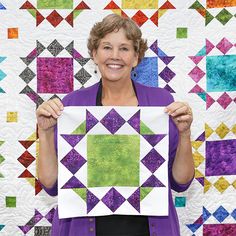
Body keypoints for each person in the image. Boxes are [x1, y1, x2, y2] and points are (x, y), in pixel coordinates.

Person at [36, 14, 194, 236]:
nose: (115, 56)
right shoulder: (72, 106)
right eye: (107, 47)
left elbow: (181, 182)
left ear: (136, 57)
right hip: (86, 228)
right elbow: (51, 184)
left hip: (146, 229)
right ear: (94, 53)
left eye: (125, 48)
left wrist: (185, 134)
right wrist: (45, 132)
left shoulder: (161, 104)